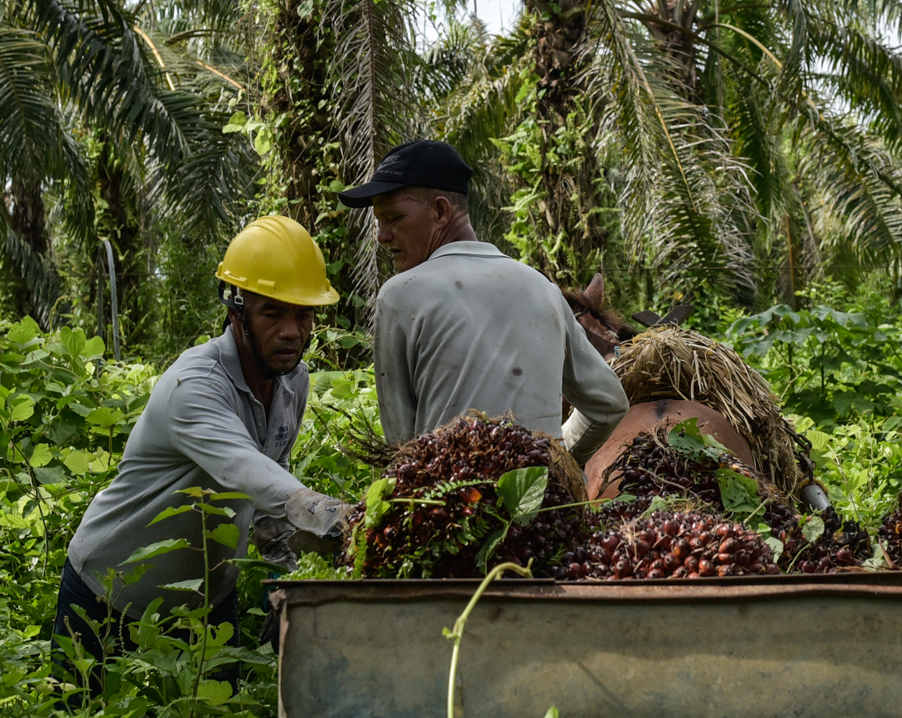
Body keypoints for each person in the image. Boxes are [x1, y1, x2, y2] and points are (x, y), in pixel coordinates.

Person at [53, 216, 353, 687]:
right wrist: (337, 516)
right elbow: (248, 471)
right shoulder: (194, 385)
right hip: (110, 595)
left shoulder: (292, 382)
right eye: (272, 314)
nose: (292, 331)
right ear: (236, 312)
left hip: (208, 599)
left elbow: (269, 488)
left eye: (303, 315)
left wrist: (295, 578)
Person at [340, 140, 629, 458]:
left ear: (440, 211)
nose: (382, 235)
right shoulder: (542, 289)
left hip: (450, 490)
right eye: (380, 222)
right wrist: (560, 463)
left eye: (393, 218)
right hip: (547, 490)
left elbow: (402, 449)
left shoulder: (399, 295)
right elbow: (609, 404)